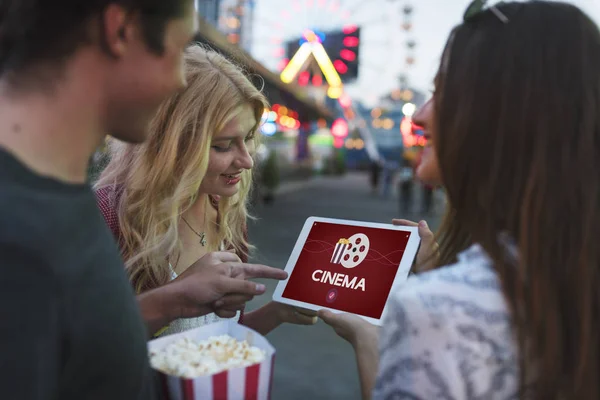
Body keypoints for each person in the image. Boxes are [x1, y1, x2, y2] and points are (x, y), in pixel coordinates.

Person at [0, 1, 287, 398]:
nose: (177, 80)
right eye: (178, 46)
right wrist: (171, 301)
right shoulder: (30, 224)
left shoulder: (55, 206)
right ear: (122, 29)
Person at [320, 2, 600, 399]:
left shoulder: (437, 311)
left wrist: (370, 338)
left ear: (499, 116)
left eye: (443, 91)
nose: (419, 114)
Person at [95, 45, 317, 337]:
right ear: (169, 146)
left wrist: (277, 312)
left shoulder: (227, 214)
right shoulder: (105, 215)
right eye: (222, 146)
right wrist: (175, 297)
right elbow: (73, 344)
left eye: (249, 137)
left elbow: (216, 339)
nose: (247, 160)